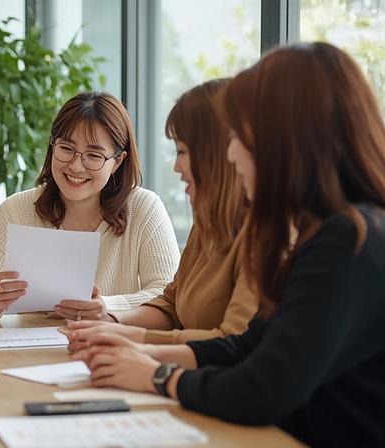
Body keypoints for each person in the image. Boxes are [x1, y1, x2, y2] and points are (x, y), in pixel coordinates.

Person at [71, 43, 385, 446]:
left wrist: (155, 374)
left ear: (285, 140)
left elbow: (262, 389)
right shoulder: (330, 230)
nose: (231, 152)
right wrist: (141, 354)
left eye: (240, 135)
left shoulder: (347, 242)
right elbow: (249, 347)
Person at [63, 79, 257, 346]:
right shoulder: (206, 225)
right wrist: (112, 323)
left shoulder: (263, 235)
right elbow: (170, 304)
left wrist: (131, 339)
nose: (176, 167)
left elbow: (234, 343)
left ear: (218, 154)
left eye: (182, 151)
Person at [0, 91, 180, 320]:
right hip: (29, 351)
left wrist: (106, 306)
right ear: (52, 146)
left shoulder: (145, 208)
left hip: (109, 350)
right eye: (66, 148)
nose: (75, 166)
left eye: (93, 155)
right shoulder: (15, 210)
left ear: (117, 162)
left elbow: (169, 295)